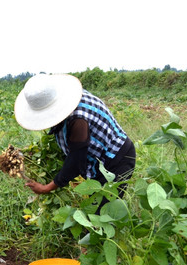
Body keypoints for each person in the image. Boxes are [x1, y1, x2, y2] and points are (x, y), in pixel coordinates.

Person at [14, 74, 136, 203]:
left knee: (104, 213)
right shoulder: (69, 99)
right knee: (94, 207)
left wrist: (46, 188)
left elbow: (76, 163)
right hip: (99, 162)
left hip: (116, 159)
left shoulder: (78, 120)